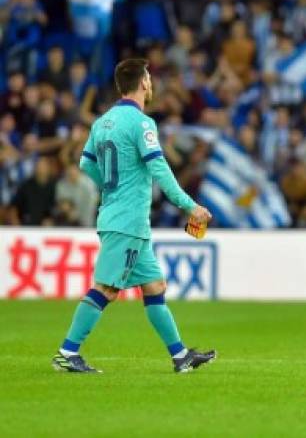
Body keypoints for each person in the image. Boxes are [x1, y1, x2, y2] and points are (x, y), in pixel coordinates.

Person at [51, 58, 215, 374]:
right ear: (142, 83)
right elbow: (159, 169)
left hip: (124, 220)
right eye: (149, 78)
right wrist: (189, 205)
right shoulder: (142, 124)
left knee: (155, 287)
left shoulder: (102, 123)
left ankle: (180, 357)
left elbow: (86, 163)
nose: (151, 83)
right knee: (107, 288)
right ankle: (67, 352)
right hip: (126, 222)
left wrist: (110, 187)